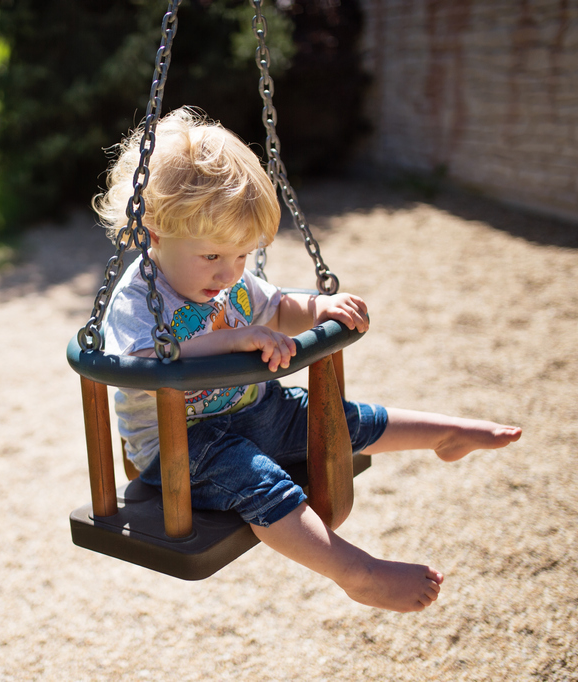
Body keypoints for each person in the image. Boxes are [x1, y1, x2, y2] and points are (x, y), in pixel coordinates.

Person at [94, 108, 522, 613]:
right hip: (181, 447)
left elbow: (277, 308)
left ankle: (444, 435)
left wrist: (318, 308)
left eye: (243, 255)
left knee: (332, 419)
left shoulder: (229, 276)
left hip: (252, 412)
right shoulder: (138, 296)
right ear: (155, 233)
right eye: (212, 256)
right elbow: (142, 361)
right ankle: (356, 572)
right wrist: (233, 340)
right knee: (256, 479)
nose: (230, 272)